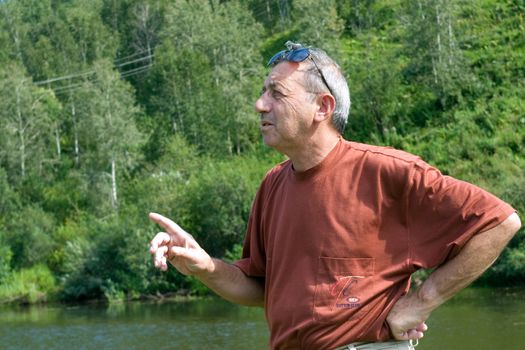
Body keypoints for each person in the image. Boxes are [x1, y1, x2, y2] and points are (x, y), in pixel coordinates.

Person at [149, 41, 521, 350]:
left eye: (276, 93)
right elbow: (260, 288)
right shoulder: (272, 185)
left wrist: (421, 302)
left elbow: (499, 221)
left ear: (322, 107)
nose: (260, 104)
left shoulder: (386, 172)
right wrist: (202, 265)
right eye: (263, 92)